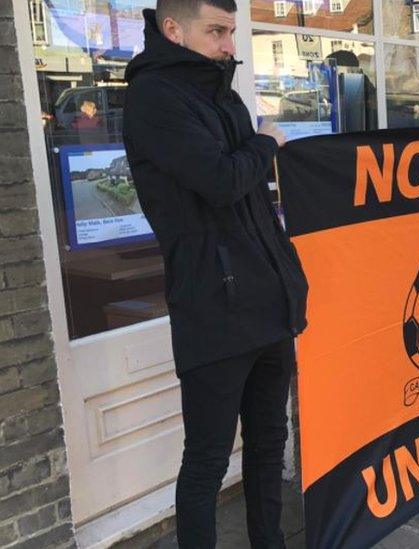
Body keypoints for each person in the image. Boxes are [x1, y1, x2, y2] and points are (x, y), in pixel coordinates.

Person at [122, 1, 308, 547]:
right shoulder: (154, 98)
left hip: (267, 302)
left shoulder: (221, 94)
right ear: (172, 29)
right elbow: (222, 180)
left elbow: (248, 196)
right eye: (217, 31)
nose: (230, 44)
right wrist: (267, 143)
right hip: (213, 306)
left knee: (270, 443)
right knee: (206, 460)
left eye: (231, 31)